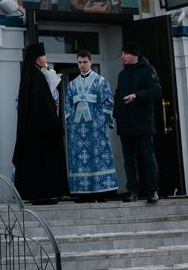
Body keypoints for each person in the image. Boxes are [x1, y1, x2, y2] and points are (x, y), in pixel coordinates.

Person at [12, 41, 68, 203]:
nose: (46, 58)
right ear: (37, 59)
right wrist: (56, 123)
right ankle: (44, 195)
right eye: (43, 55)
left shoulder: (30, 76)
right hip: (42, 131)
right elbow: (42, 105)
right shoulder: (36, 77)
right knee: (44, 163)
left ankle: (37, 194)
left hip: (33, 130)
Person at [63, 50, 119, 199]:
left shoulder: (100, 81)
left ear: (91, 62)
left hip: (95, 127)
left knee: (97, 156)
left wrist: (101, 120)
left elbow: (108, 102)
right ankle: (82, 192)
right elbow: (67, 106)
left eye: (85, 62)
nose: (82, 65)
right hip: (77, 128)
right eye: (79, 62)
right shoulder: (72, 84)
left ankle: (102, 191)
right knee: (80, 158)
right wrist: (70, 123)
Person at [114, 41, 162, 203]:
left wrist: (137, 95)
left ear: (134, 55)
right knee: (129, 159)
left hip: (143, 122)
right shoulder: (123, 74)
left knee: (148, 156)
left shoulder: (148, 70)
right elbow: (118, 95)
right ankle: (132, 190)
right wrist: (116, 114)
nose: (123, 56)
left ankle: (153, 190)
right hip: (126, 123)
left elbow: (156, 90)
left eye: (125, 53)